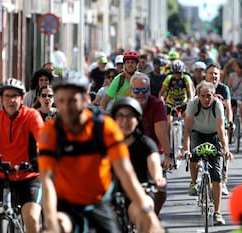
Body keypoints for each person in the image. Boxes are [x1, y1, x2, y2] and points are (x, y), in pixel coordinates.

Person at [38, 74, 163, 233]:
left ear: (85, 100)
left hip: (98, 203)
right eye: (61, 101)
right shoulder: (50, 131)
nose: (66, 107)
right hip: (65, 204)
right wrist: (50, 221)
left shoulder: (104, 127)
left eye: (72, 101)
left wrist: (147, 213)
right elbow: (47, 180)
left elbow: (125, 173)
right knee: (57, 227)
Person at [0, 78, 43, 233]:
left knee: (32, 218)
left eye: (15, 96)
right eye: (7, 96)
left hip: (28, 176)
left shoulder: (31, 116)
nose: (11, 100)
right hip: (0, 175)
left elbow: (43, 140)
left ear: (22, 98)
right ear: (1, 99)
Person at [181, 80, 234, 225]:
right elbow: (187, 130)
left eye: (209, 96)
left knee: (216, 175)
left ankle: (217, 213)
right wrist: (186, 149)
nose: (206, 99)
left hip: (214, 134)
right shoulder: (192, 104)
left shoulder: (218, 105)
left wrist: (226, 149)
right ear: (198, 96)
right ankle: (193, 183)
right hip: (197, 133)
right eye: (203, 96)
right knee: (192, 156)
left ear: (213, 95)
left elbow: (221, 129)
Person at [111, 97, 167, 216]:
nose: (125, 121)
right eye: (120, 116)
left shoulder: (145, 144)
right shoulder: (106, 144)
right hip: (111, 196)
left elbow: (154, 162)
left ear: (137, 120)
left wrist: (158, 178)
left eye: (130, 116)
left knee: (143, 211)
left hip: (141, 194)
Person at [129, 72, 174, 216]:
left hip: (154, 151)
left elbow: (160, 129)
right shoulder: (126, 105)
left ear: (149, 90)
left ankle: (154, 215)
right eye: (137, 90)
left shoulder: (157, 104)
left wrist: (168, 155)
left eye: (144, 90)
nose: (140, 94)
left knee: (161, 188)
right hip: (130, 149)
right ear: (131, 91)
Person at [205, 63, 233, 196]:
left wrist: (230, 121)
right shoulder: (202, 88)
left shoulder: (223, 88)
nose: (213, 76)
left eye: (216, 73)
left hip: (221, 125)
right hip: (204, 125)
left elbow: (228, 107)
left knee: (223, 152)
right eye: (211, 73)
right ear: (206, 75)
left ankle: (223, 181)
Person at [158, 59, 195, 124]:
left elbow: (190, 91)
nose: (177, 75)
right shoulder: (169, 78)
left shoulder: (186, 78)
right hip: (170, 104)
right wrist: (162, 103)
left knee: (188, 120)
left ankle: (187, 133)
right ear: (172, 72)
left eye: (179, 73)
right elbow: (161, 93)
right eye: (175, 73)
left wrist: (190, 102)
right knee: (169, 121)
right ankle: (168, 134)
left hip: (183, 103)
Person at [227, 60, 242, 134]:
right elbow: (228, 86)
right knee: (232, 110)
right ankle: (231, 126)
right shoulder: (232, 75)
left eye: (238, 68)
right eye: (236, 68)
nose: (237, 70)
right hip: (233, 96)